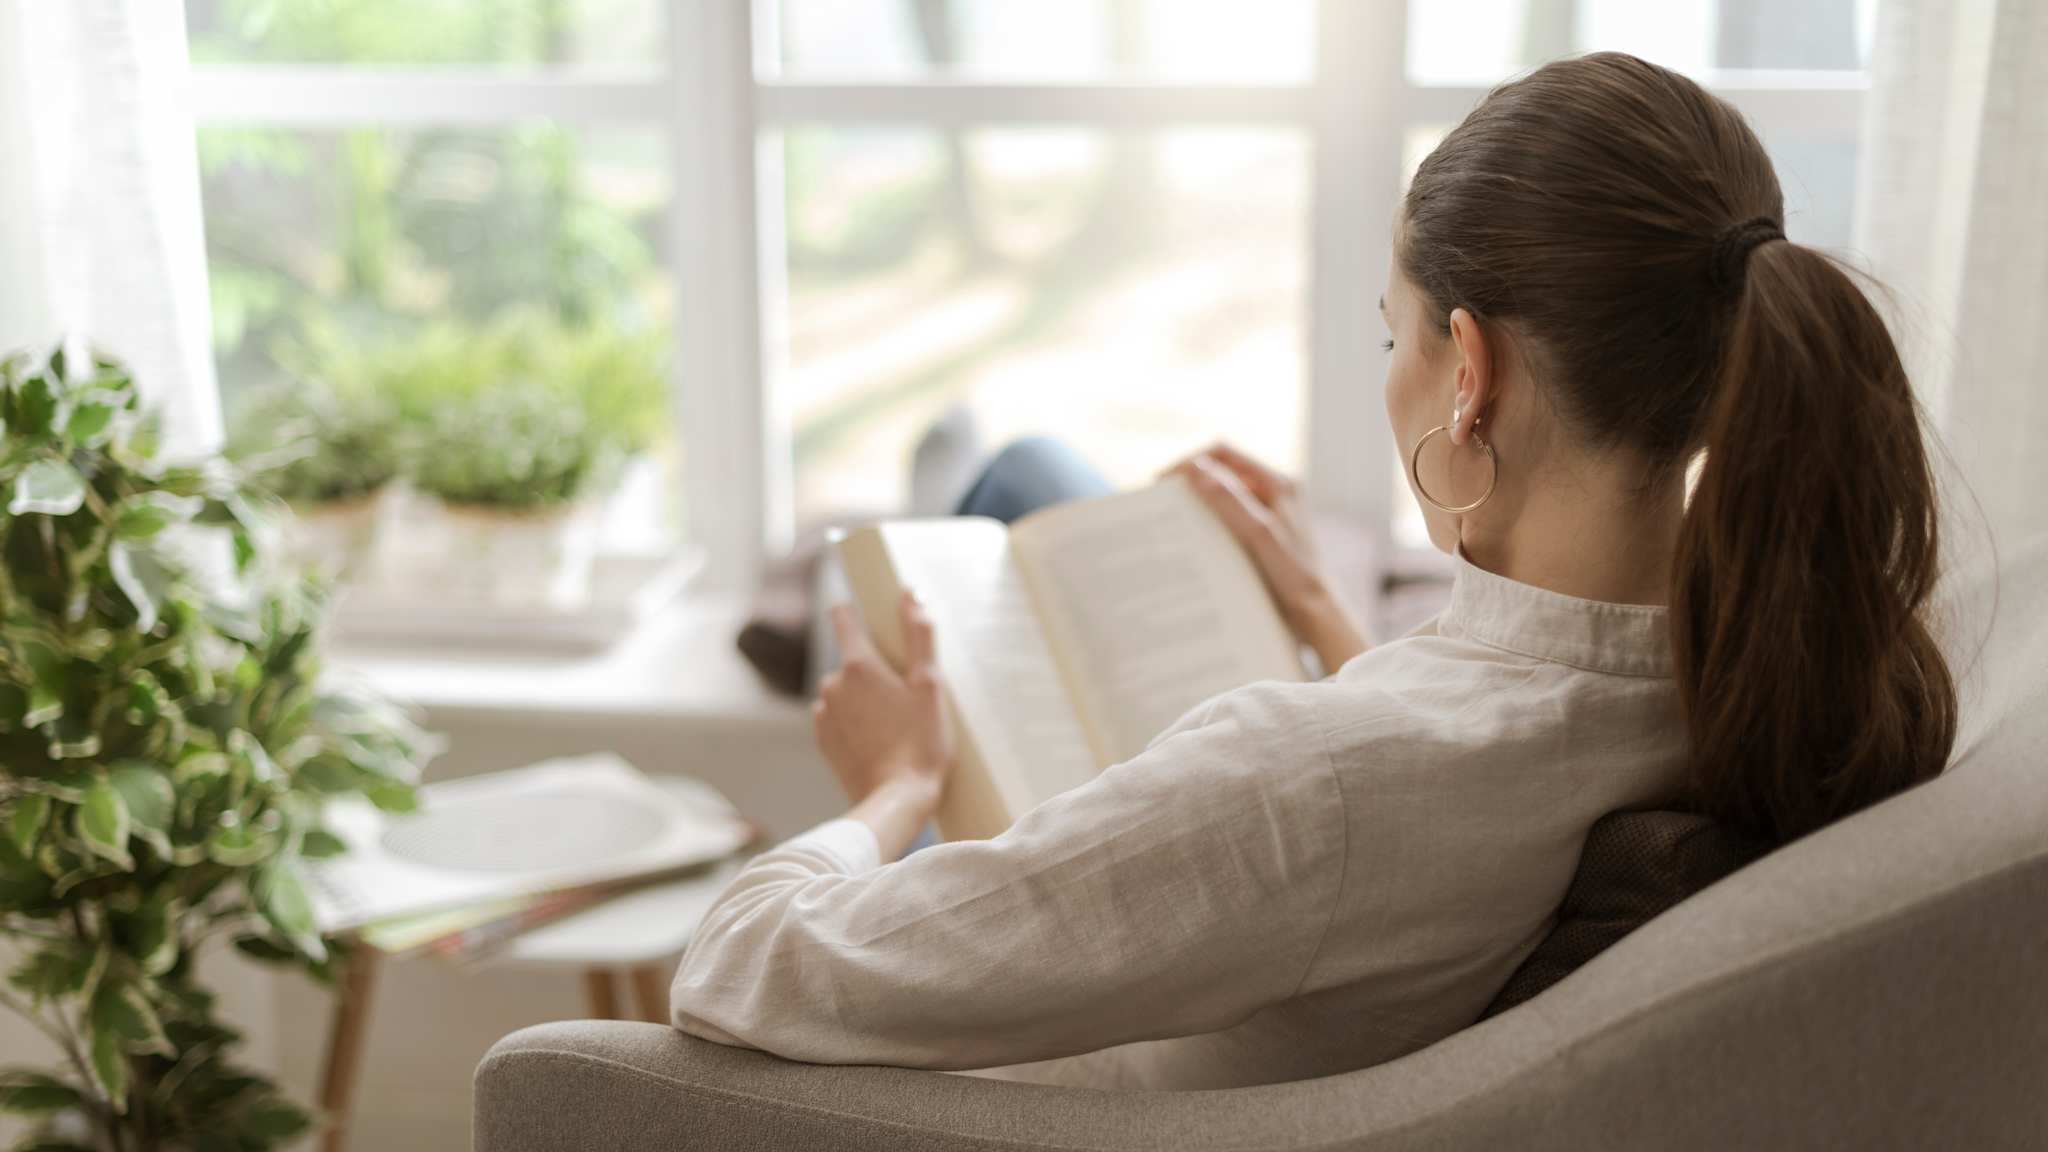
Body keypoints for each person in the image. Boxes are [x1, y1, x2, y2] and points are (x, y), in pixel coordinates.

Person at [668, 52, 1957, 1090]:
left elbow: (740, 968)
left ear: (1471, 374)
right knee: (1039, 481)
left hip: (1122, 992)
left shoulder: (1306, 780)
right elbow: (1473, 772)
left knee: (1013, 488)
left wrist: (891, 787)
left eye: (1392, 339)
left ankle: (930, 506)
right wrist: (1330, 619)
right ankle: (962, 484)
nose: (1392, 374)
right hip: (1289, 880)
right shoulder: (1776, 667)